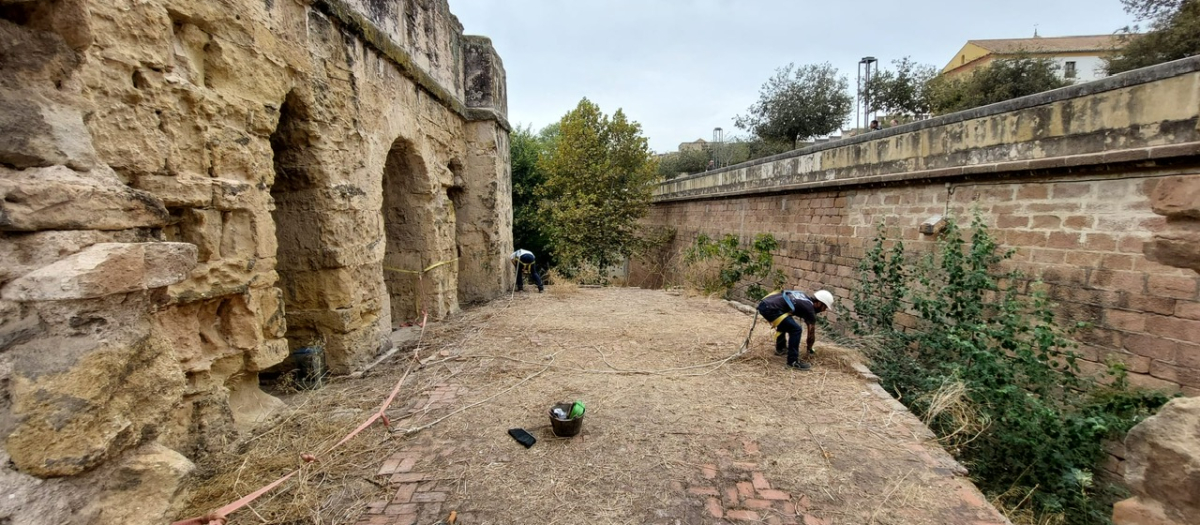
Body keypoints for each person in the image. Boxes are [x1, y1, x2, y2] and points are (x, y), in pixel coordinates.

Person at [756, 289, 834, 370]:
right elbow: (811, 334)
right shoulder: (809, 309)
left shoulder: (804, 296)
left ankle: (781, 348)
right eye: (824, 307)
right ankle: (792, 362)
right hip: (770, 309)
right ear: (819, 302)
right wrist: (809, 349)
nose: (824, 310)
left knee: (786, 322)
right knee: (796, 329)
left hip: (766, 303)